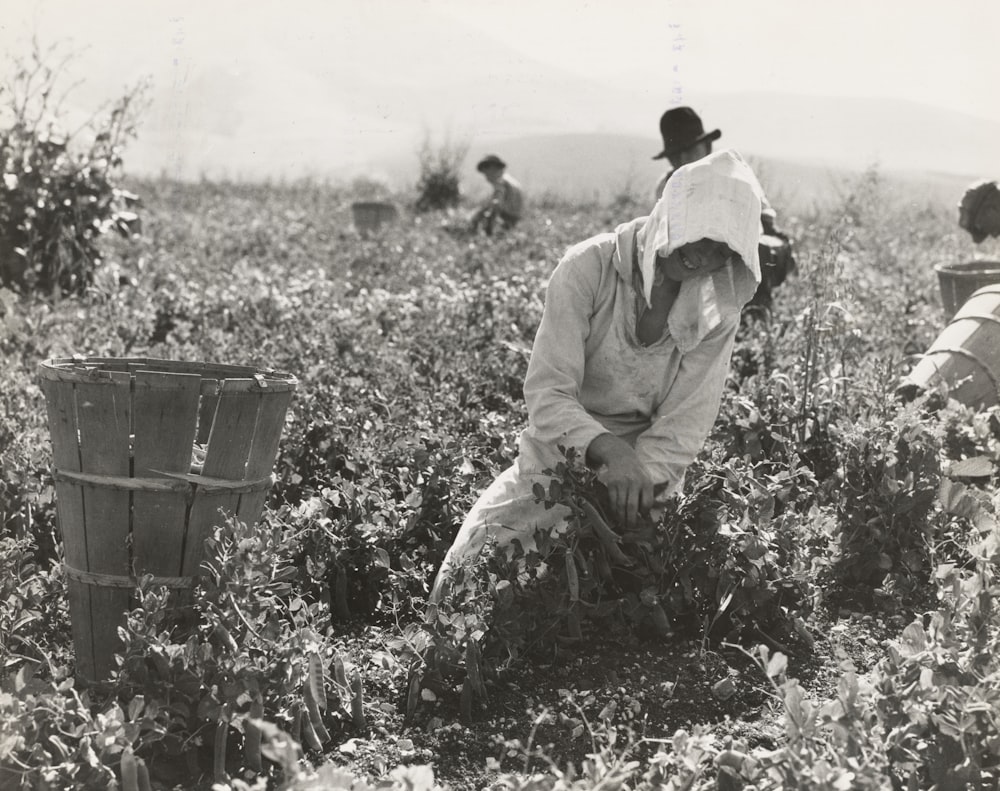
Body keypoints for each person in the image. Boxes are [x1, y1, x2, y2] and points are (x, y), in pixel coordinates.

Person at [431, 149, 765, 605]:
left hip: (649, 477)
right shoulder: (589, 267)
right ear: (672, 216)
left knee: (649, 599)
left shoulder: (714, 306)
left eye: (721, 249)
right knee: (460, 591)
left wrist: (636, 478)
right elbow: (548, 396)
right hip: (558, 459)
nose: (704, 255)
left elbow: (687, 419)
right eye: (700, 234)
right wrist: (608, 453)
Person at [653, 106, 795, 311]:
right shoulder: (666, 186)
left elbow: (761, 226)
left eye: (689, 151)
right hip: (700, 255)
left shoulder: (733, 175)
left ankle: (756, 314)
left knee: (754, 251)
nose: (683, 161)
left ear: (707, 147)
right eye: (676, 155)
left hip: (750, 245)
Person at [469, 154, 524, 235]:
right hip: (516, 217)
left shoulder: (500, 182)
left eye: (486, 173)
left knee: (478, 214)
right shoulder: (509, 180)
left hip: (508, 218)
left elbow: (497, 203)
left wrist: (485, 220)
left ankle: (477, 234)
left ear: (493, 168)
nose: (486, 178)